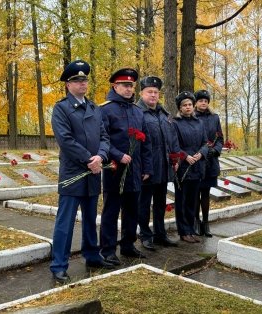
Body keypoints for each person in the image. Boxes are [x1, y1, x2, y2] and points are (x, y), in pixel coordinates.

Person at [50, 60, 113, 283]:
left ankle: (92, 255)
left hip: (94, 172)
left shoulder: (95, 108)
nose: (82, 83)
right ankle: (58, 264)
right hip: (73, 173)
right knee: (65, 222)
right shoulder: (61, 108)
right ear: (68, 84)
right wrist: (89, 159)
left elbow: (105, 137)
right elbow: (65, 140)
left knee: (90, 219)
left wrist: (101, 157)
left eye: (84, 79)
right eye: (77, 80)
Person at [99, 68, 153, 265]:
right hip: (114, 169)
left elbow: (146, 142)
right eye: (125, 85)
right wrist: (117, 155)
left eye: (131, 85)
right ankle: (108, 249)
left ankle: (128, 245)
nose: (129, 89)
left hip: (135, 169)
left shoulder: (138, 111)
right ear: (115, 86)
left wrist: (147, 168)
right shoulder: (105, 109)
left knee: (132, 210)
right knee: (111, 210)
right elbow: (101, 138)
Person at [136, 76, 180, 251]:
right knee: (144, 204)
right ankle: (146, 235)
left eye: (156, 92)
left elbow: (172, 138)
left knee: (161, 203)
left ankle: (160, 234)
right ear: (142, 93)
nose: (153, 95)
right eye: (149, 92)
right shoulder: (137, 112)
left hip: (163, 166)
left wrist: (175, 159)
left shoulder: (164, 114)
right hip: (147, 168)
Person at [173, 91, 208, 243]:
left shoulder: (199, 122)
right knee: (182, 200)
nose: (188, 107)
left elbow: (206, 142)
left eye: (190, 105)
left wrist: (201, 154)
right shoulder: (175, 123)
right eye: (184, 105)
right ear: (180, 108)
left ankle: (191, 229)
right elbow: (173, 144)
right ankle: (183, 231)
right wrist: (185, 156)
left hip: (197, 166)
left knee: (193, 201)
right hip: (183, 167)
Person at [194, 89, 223, 237]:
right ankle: (196, 222)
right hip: (197, 160)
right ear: (196, 103)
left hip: (210, 161)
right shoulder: (191, 117)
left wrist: (215, 150)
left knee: (205, 194)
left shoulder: (214, 117)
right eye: (200, 101)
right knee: (195, 194)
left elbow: (220, 138)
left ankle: (206, 223)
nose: (203, 103)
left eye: (205, 101)